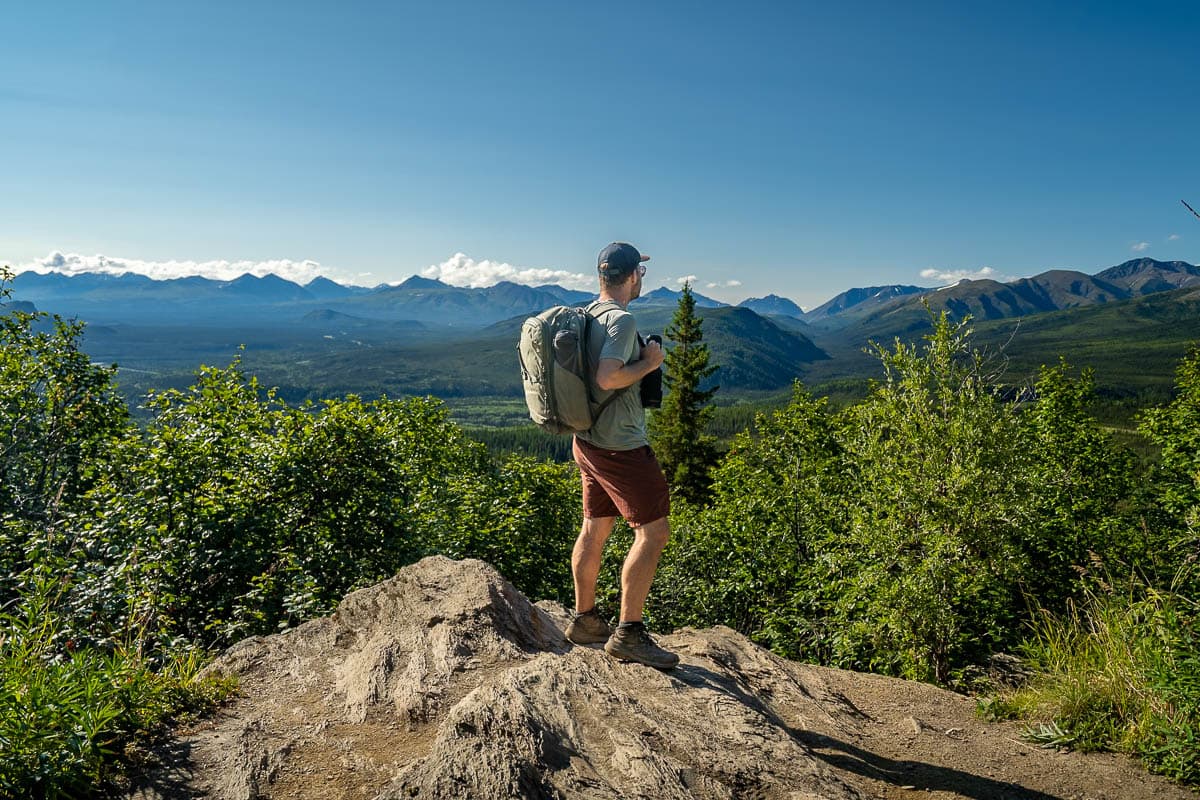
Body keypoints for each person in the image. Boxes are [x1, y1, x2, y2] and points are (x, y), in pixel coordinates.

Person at [564, 242, 679, 670]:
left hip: (587, 441)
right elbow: (609, 377)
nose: (642, 279)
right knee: (654, 532)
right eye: (641, 273)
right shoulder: (621, 320)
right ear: (632, 277)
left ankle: (585, 620)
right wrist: (650, 363)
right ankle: (629, 633)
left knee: (595, 527)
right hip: (621, 447)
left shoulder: (585, 315)